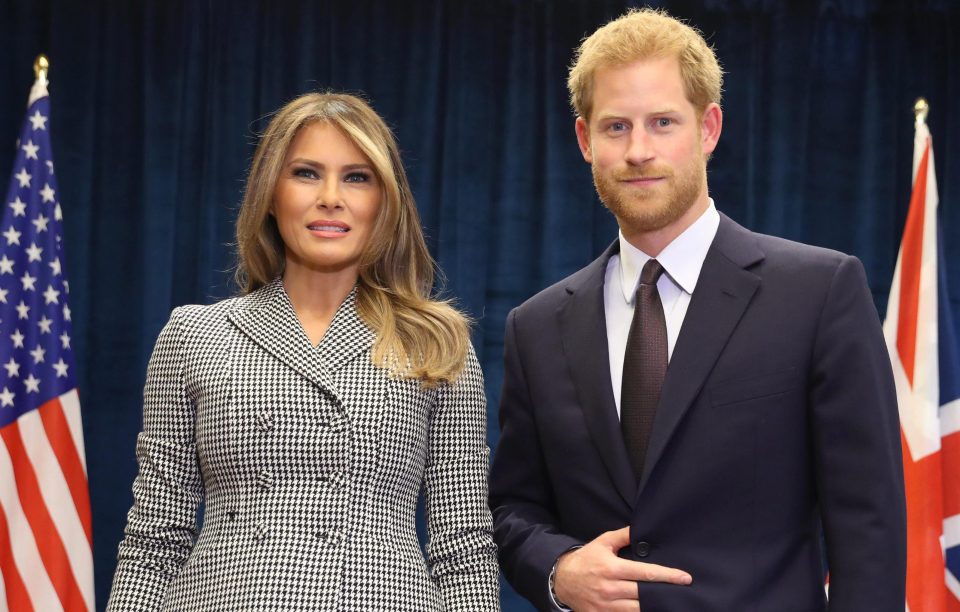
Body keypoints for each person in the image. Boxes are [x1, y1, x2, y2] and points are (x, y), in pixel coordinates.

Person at [489, 8, 905, 611]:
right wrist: (557, 570)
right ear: (584, 140)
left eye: (662, 122)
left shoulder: (819, 293)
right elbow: (512, 508)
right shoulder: (536, 326)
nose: (638, 151)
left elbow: (869, 525)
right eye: (615, 127)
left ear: (708, 128)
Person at [107, 92, 500, 611]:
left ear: (385, 201)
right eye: (307, 173)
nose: (331, 197)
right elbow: (155, 539)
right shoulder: (193, 335)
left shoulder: (437, 344)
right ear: (270, 194)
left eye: (357, 177)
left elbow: (464, 547)